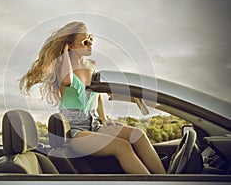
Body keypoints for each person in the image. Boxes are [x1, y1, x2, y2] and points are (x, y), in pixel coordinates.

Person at [19, 21, 166, 174]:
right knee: (122, 146)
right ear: (71, 45)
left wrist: (104, 119)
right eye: (85, 41)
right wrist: (65, 52)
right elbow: (68, 79)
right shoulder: (64, 73)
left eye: (91, 39)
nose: (90, 44)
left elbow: (98, 96)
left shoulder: (91, 68)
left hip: (94, 124)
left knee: (138, 135)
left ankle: (167, 179)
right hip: (75, 131)